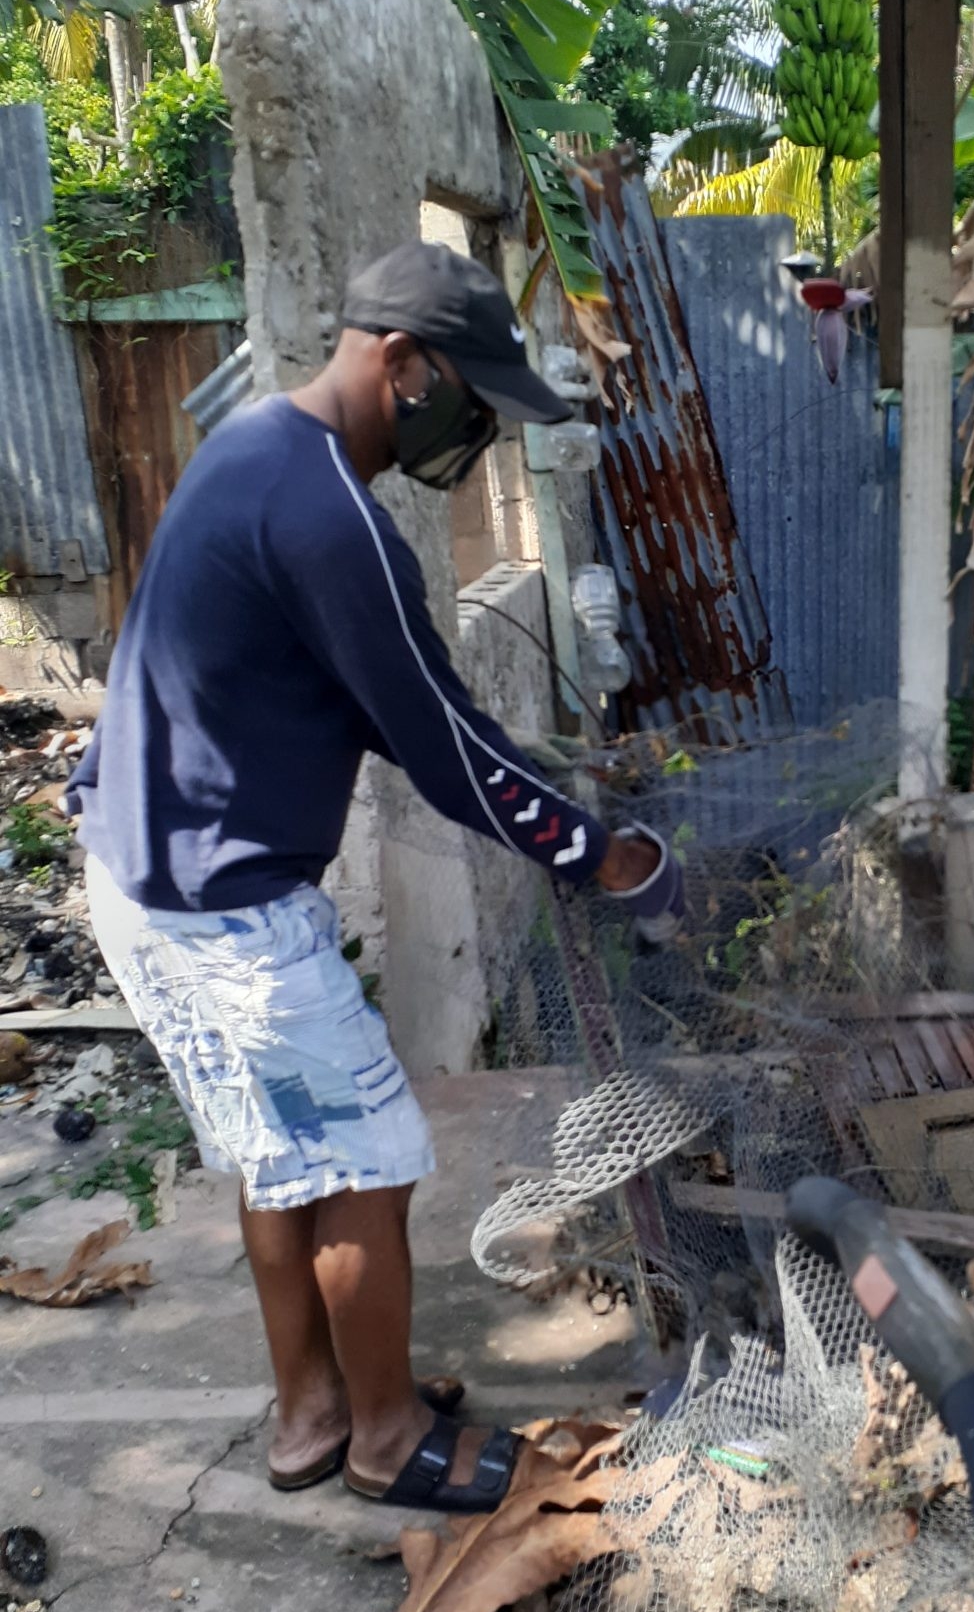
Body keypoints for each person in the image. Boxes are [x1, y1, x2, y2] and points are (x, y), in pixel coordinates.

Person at [66, 240, 682, 1514]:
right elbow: (445, 748)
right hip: (221, 903)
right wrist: (602, 852)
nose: (474, 426)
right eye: (468, 394)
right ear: (400, 363)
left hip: (146, 875)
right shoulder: (334, 518)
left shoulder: (250, 450)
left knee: (280, 1154)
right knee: (368, 1156)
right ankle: (388, 1437)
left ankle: (311, 1412)